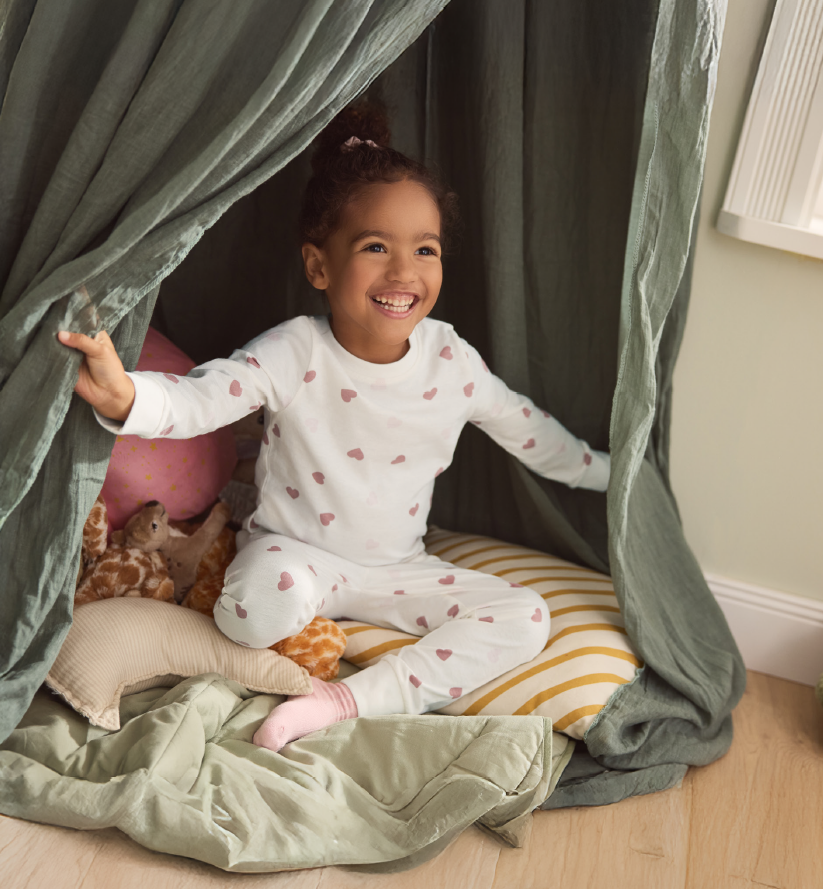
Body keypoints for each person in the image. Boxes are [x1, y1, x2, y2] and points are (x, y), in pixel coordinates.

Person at [57, 102, 610, 752]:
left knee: (526, 616)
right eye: (376, 247)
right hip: (295, 557)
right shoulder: (297, 350)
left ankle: (344, 701)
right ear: (319, 266)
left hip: (398, 569)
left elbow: (529, 429)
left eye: (424, 250)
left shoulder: (451, 360)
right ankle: (283, 635)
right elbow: (205, 398)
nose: (404, 273)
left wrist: (608, 474)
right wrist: (127, 397)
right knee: (258, 607)